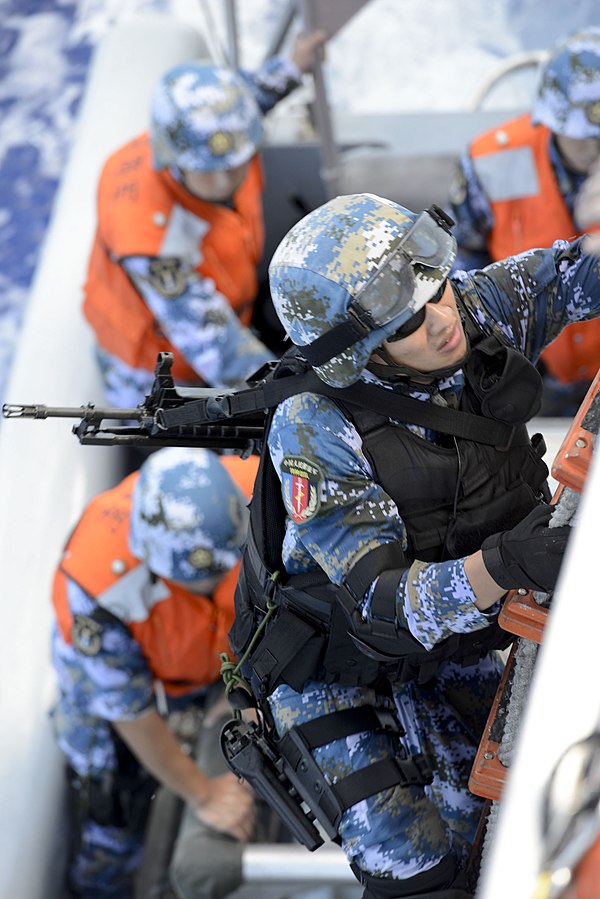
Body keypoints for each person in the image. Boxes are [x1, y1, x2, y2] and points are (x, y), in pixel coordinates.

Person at [227, 192, 600, 899]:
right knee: (427, 868)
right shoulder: (315, 429)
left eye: (436, 289)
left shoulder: (461, 308)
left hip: (460, 623)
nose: (442, 321)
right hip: (339, 665)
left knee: (517, 799)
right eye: (409, 321)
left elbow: (574, 274)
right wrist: (508, 563)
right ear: (355, 349)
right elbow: (385, 602)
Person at [50, 447, 261, 898]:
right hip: (110, 682)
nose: (213, 581)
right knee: (113, 798)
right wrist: (203, 793)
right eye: (197, 578)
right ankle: (101, 885)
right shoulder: (97, 591)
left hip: (208, 654)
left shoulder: (254, 490)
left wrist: (244, 684)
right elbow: (129, 713)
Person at [82, 30, 325, 409]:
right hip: (158, 364)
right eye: (208, 171)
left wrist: (290, 68)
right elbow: (217, 345)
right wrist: (302, 397)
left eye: (235, 164)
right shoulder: (150, 237)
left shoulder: (217, 138)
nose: (226, 180)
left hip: (229, 307)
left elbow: (241, 104)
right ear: (173, 161)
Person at [448, 26, 600, 415]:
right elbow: (463, 258)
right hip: (528, 373)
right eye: (585, 134)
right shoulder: (491, 161)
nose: (597, 145)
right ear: (553, 119)